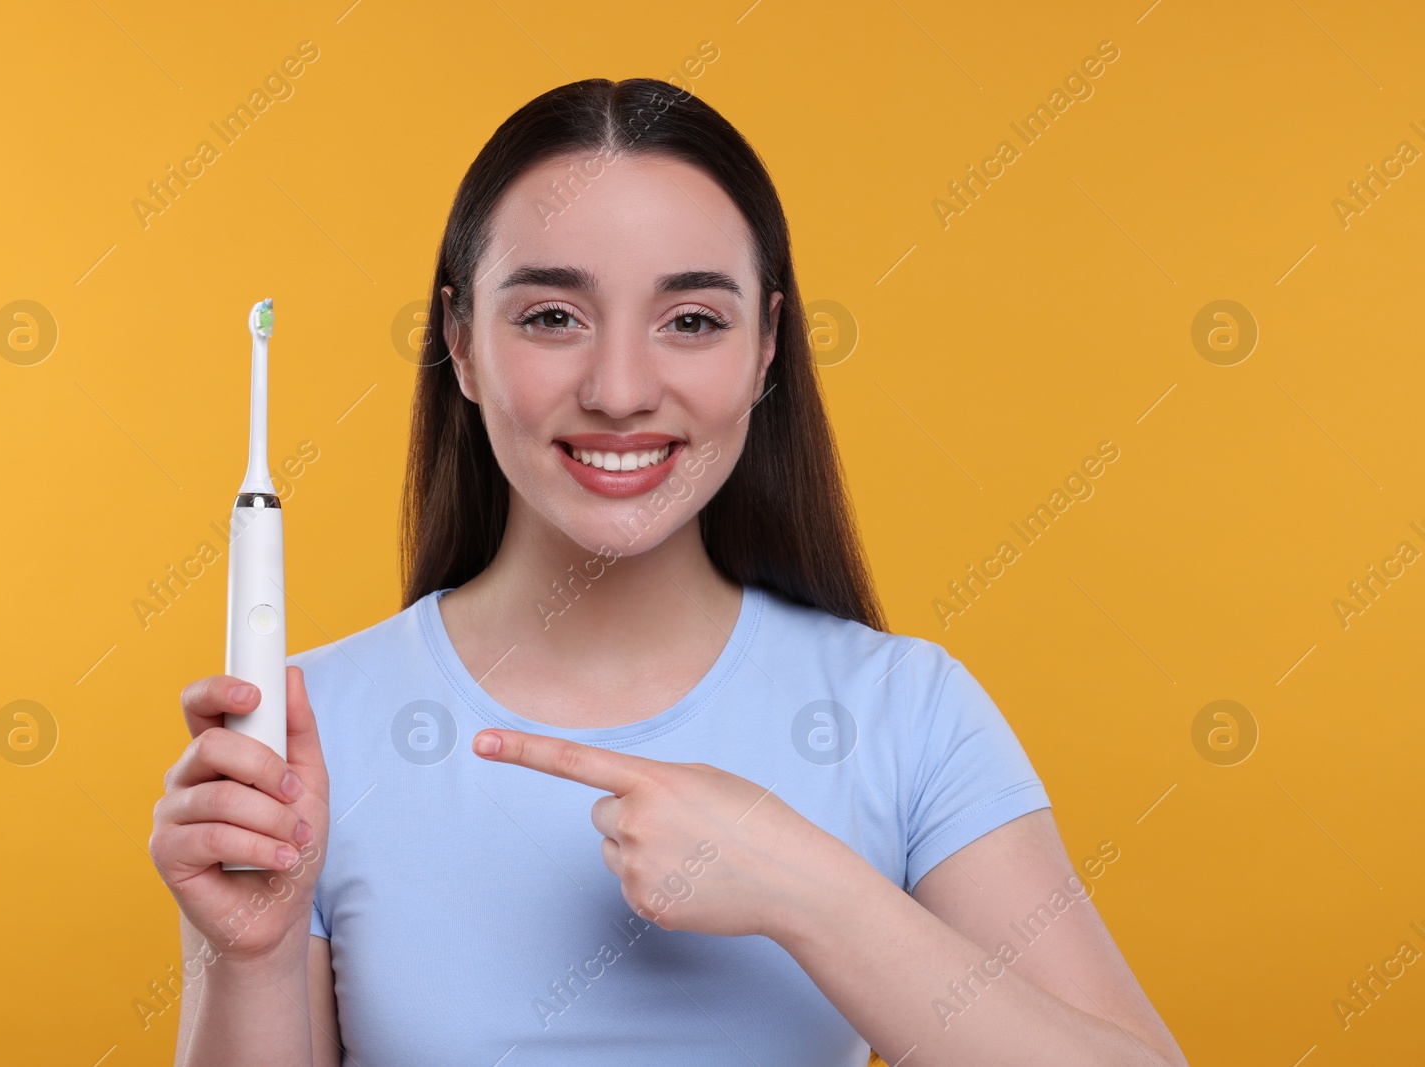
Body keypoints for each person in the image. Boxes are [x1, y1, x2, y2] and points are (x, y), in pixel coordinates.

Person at [149, 77, 1188, 1066]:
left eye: (690, 320)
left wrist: (809, 887)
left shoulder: (905, 713)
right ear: (461, 344)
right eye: (552, 316)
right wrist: (254, 951)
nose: (619, 388)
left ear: (768, 345)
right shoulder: (301, 744)